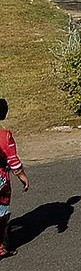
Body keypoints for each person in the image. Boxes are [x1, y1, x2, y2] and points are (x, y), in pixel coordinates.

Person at [0, 99, 30, 259]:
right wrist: (22, 176)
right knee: (1, 211)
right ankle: (1, 244)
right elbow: (13, 160)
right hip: (1, 181)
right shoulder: (5, 136)